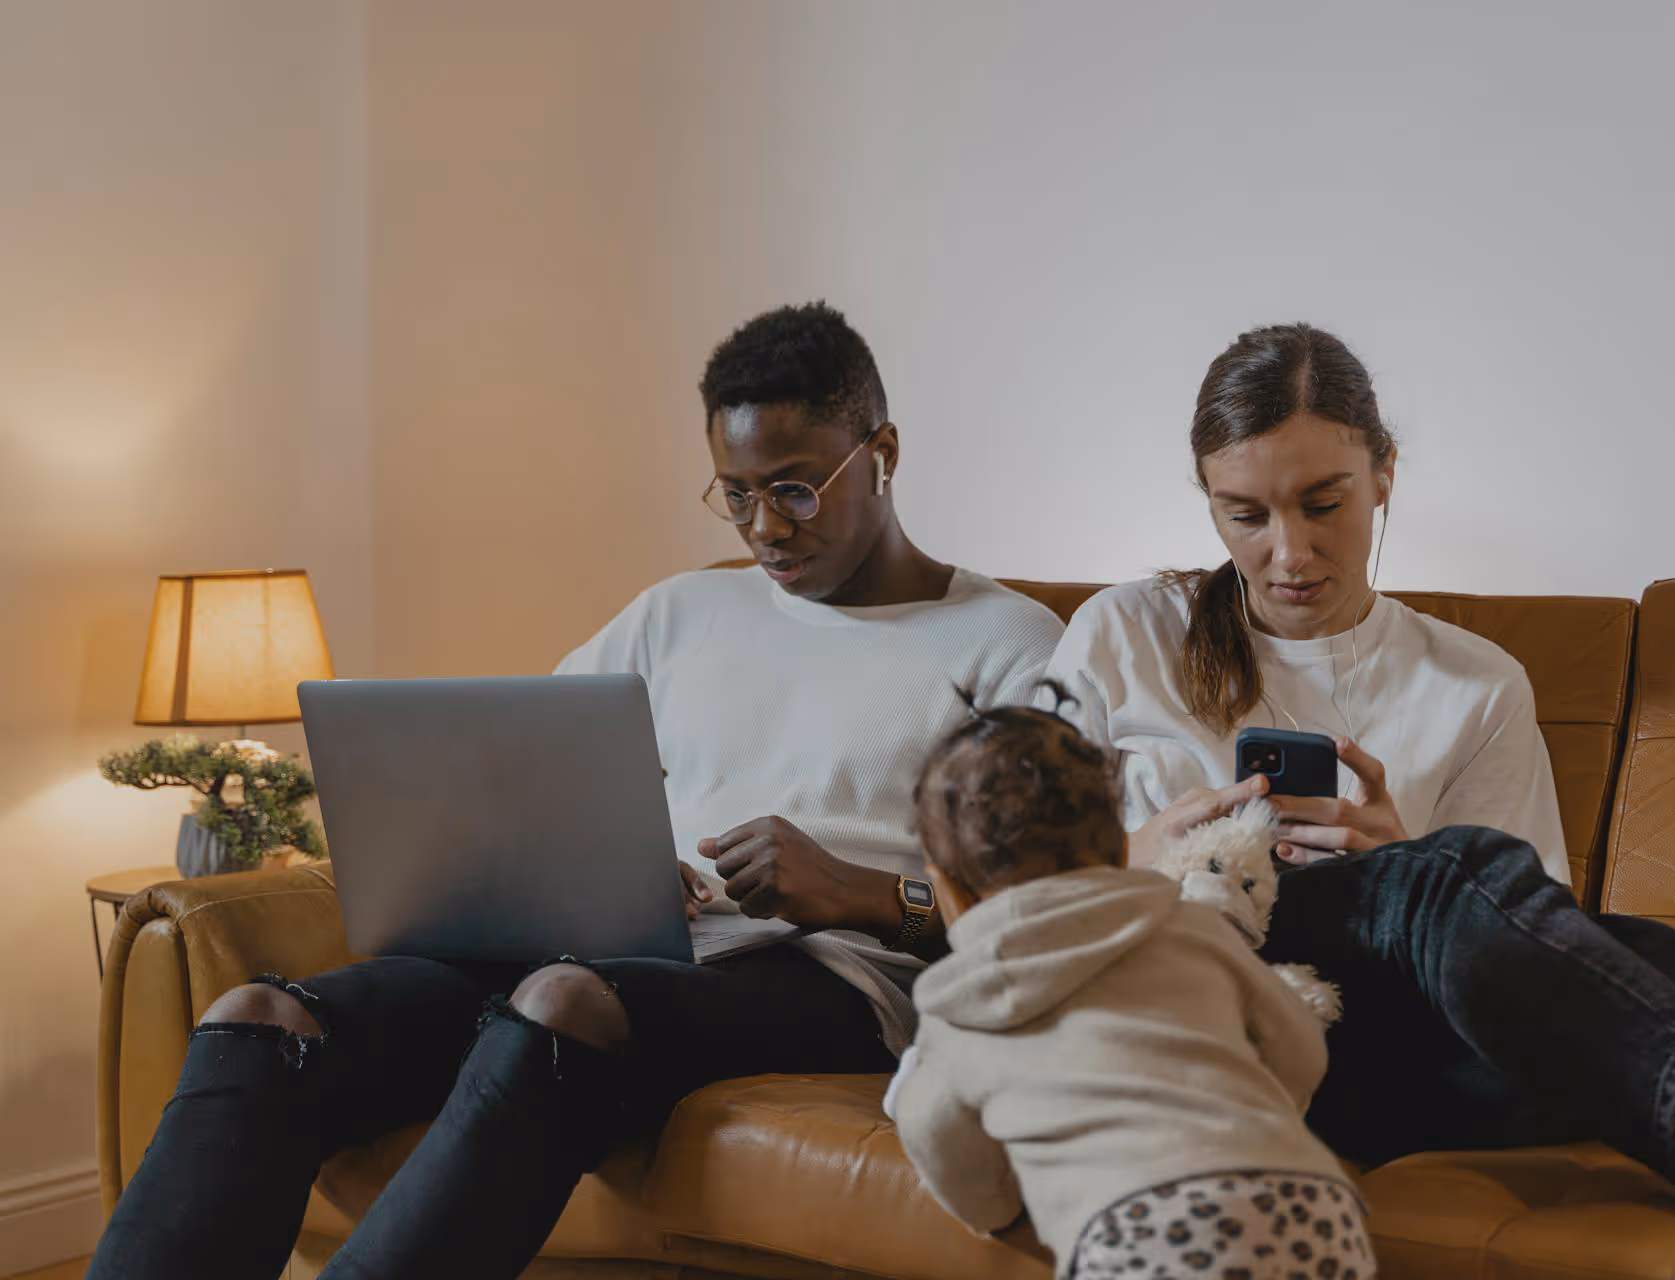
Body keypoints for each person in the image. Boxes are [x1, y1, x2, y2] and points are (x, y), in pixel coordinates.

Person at [88, 302, 1066, 1280]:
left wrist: (855, 889)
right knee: (259, 1020)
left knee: (562, 1001)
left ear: (881, 453)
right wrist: (608, 865)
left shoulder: (1008, 645)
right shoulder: (679, 612)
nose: (767, 528)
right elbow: (529, 779)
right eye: (736, 496)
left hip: (831, 979)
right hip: (614, 948)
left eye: (796, 490)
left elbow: (1053, 921)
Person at [1044, 322, 1675, 1271]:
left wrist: (1394, 865)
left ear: (1384, 473)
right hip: (1168, 992)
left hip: (1344, 1040)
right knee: (1453, 879)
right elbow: (992, 882)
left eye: (1323, 503)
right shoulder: (1123, 634)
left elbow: (1535, 936)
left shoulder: (1476, 683)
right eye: (1245, 515)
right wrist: (1133, 854)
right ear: (1208, 500)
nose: (1288, 552)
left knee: (1654, 960)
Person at [887, 686, 1374, 1280]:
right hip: (1311, 1208)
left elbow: (935, 1134)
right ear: (1122, 848)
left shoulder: (958, 1010)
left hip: (1139, 1236)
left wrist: (994, 1208)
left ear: (947, 889)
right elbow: (1299, 1047)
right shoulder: (1196, 929)